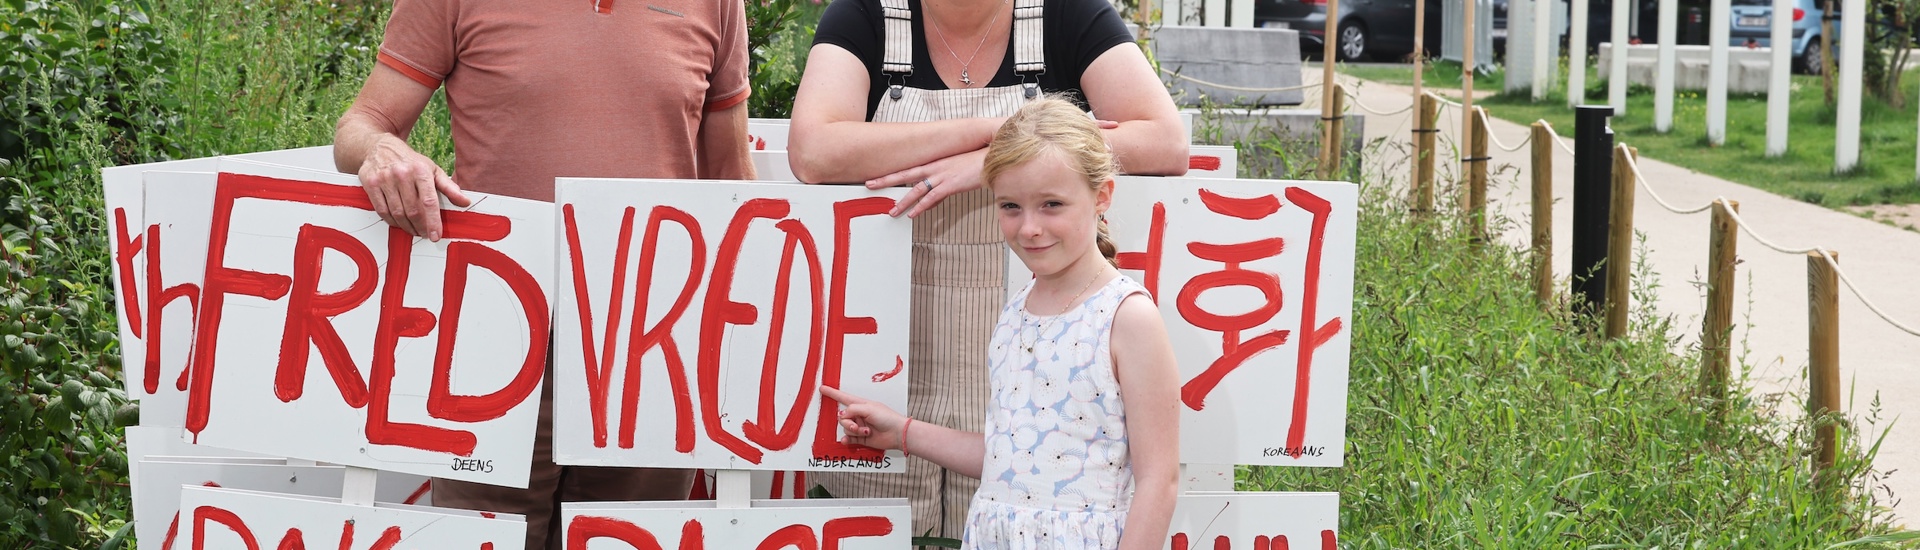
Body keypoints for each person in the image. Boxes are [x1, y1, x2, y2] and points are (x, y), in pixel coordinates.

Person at [331, 1, 754, 548]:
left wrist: (739, 334)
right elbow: (361, 125)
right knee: (483, 537)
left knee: (632, 537)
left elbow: (730, 173)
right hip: (494, 344)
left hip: (652, 350)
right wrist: (383, 149)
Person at [788, 0, 1188, 536]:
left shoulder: (1070, 14)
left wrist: (996, 160)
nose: (1031, 223)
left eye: (1048, 203)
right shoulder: (864, 14)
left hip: (1033, 354)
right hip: (890, 354)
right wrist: (998, 132)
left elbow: (1166, 139)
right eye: (1010, 200)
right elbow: (814, 151)